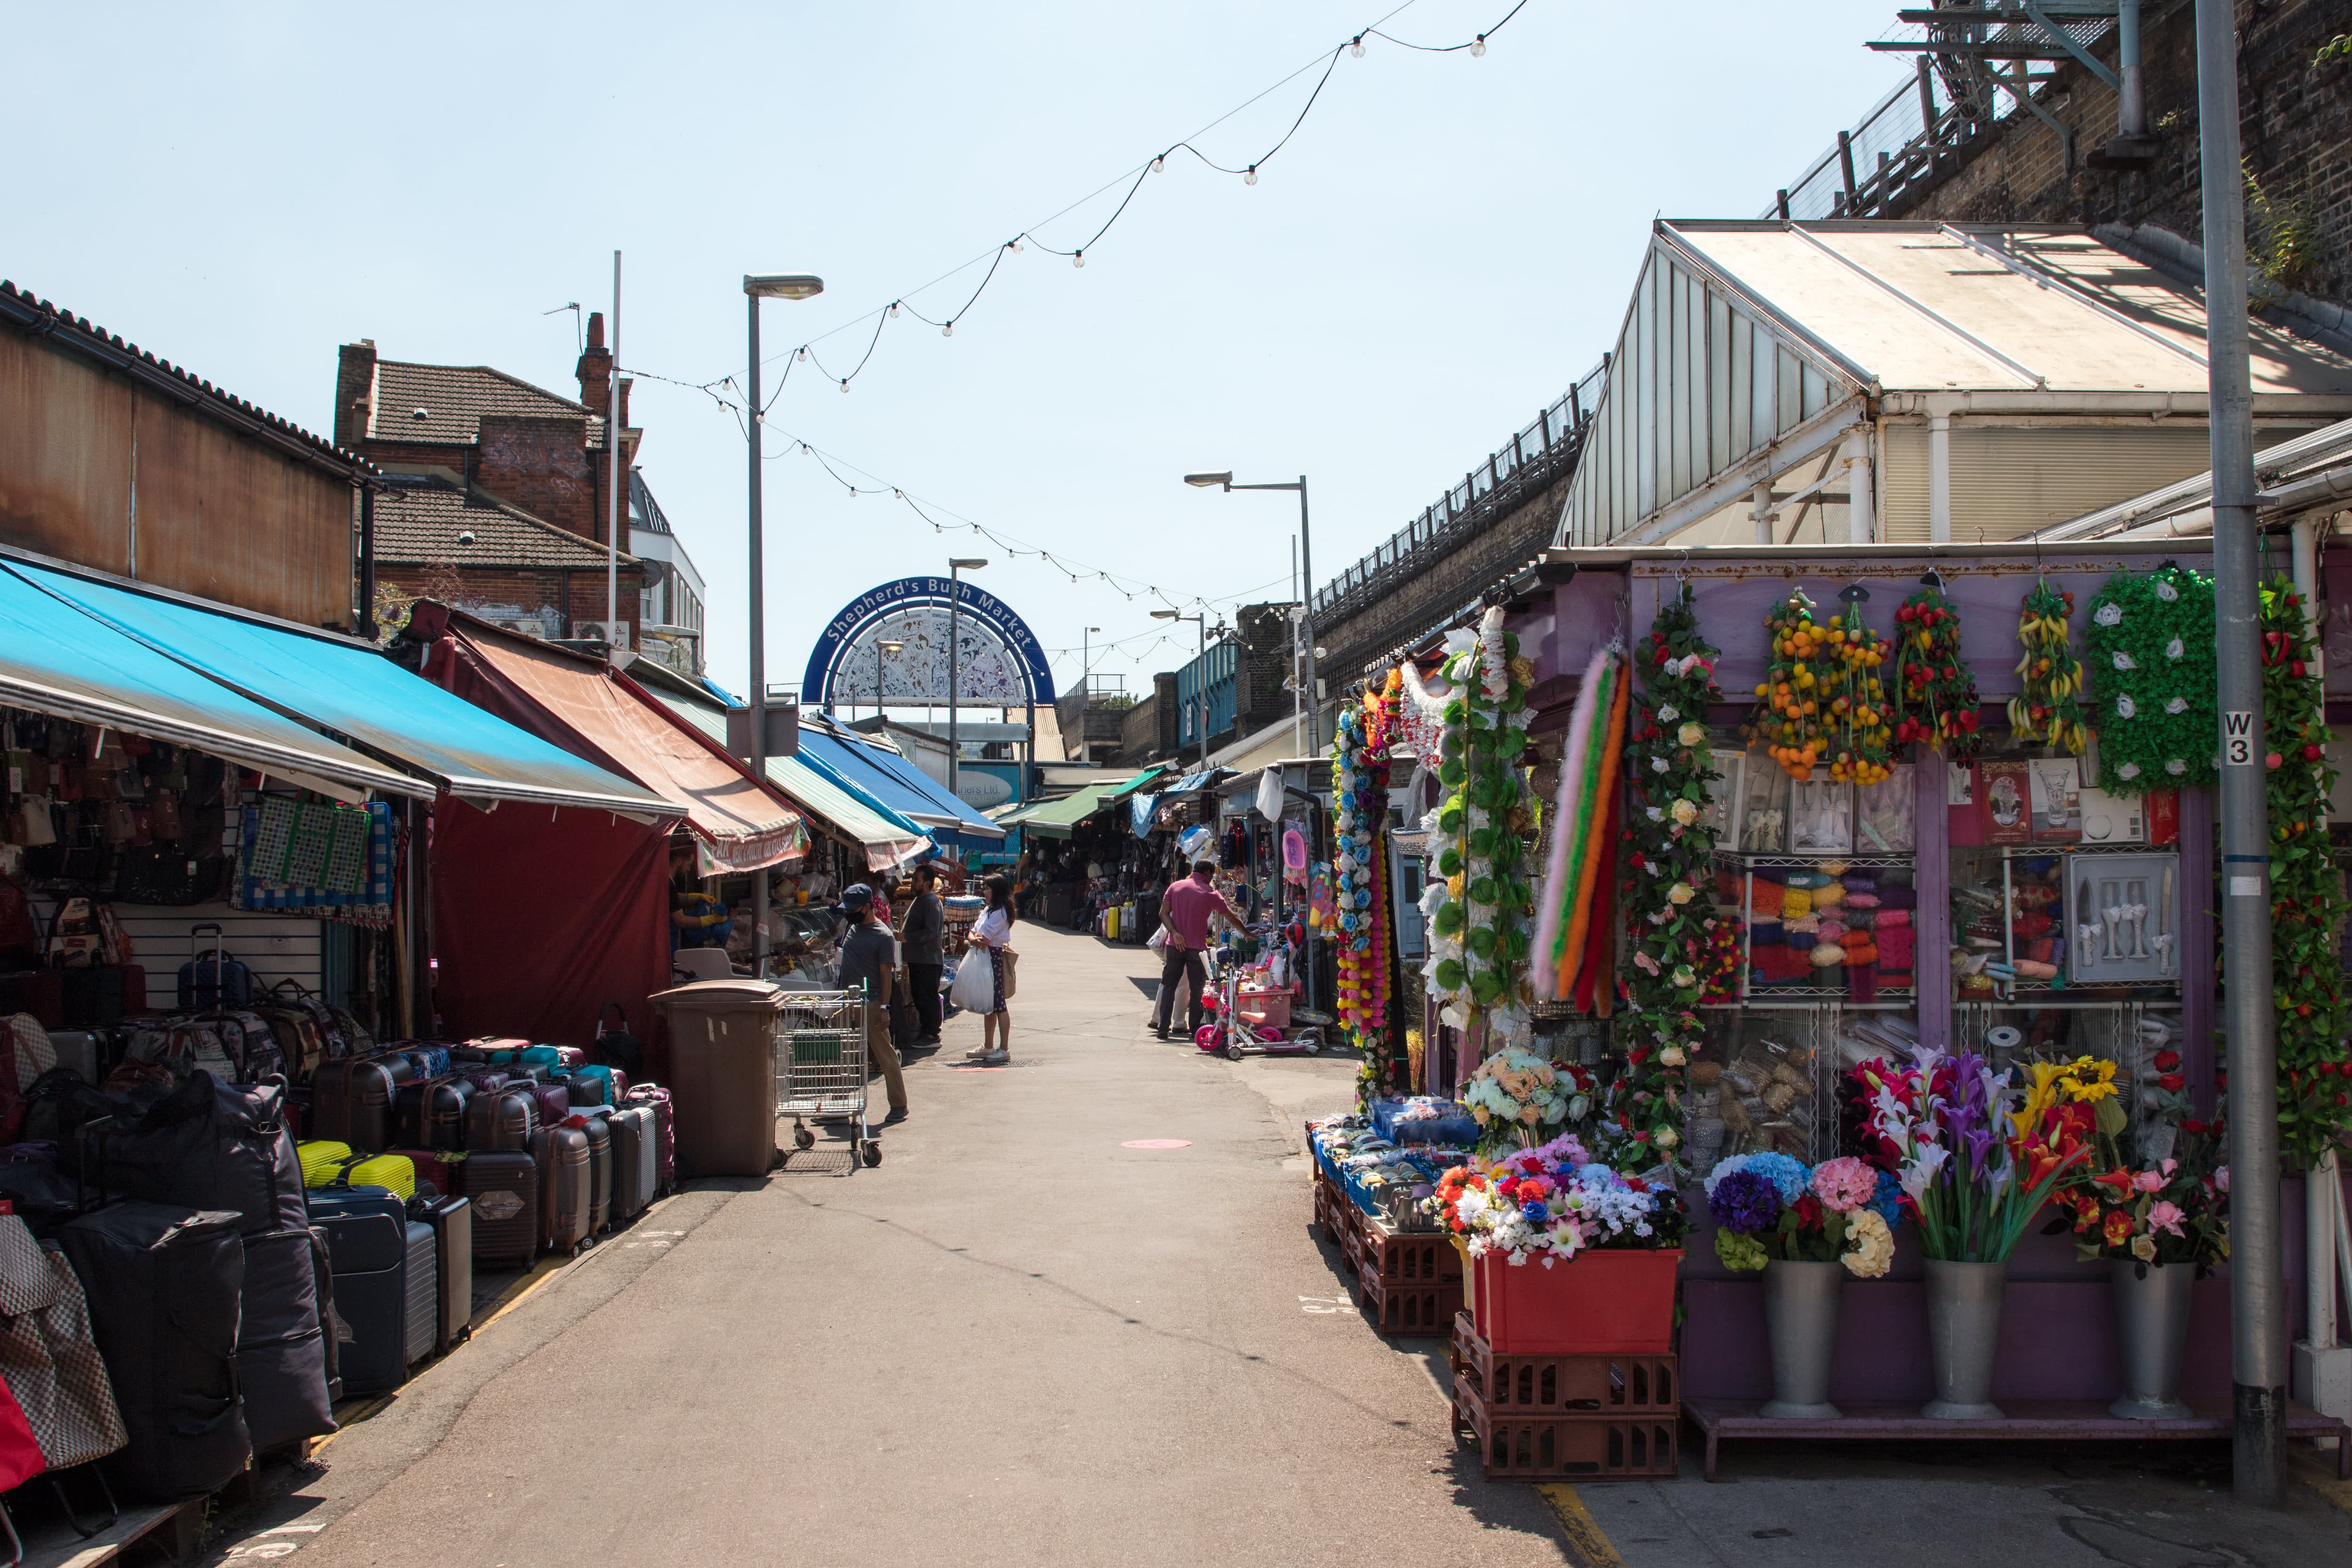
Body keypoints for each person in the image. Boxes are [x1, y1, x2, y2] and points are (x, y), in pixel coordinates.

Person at [833, 884, 908, 1125]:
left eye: (852, 909)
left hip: (872, 1002)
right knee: (842, 1054)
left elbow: (886, 974)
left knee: (884, 1053)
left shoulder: (883, 935)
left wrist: (885, 1008)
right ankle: (838, 1106)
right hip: (848, 1000)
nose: (848, 913)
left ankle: (899, 1104)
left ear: (867, 907)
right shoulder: (852, 928)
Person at [1154, 860, 1245, 1041]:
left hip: (1175, 945)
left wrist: (1175, 933)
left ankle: (1163, 1027)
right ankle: (1195, 1028)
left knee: (1169, 986)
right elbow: (1232, 916)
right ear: (1208, 873)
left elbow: (1163, 913)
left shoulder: (1175, 887)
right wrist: (1247, 933)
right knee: (1197, 989)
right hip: (1197, 949)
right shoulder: (1211, 893)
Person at [966, 872, 1015, 1065]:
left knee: (999, 1004)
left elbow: (984, 939)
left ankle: (1004, 1048)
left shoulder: (1001, 913)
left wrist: (974, 939)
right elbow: (973, 933)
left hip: (993, 957)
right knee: (990, 1005)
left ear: (997, 891)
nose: (984, 892)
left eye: (987, 889)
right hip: (985, 956)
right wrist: (973, 939)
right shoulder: (988, 909)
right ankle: (988, 1045)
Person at [901, 862, 946, 1047]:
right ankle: (927, 1031)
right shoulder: (920, 900)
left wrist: (906, 938)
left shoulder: (931, 902)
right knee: (920, 996)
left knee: (927, 997)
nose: (913, 883)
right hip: (918, 959)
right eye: (913, 879)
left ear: (927, 883)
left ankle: (931, 1034)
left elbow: (931, 932)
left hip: (928, 960)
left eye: (917, 880)